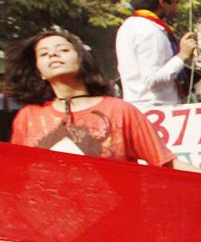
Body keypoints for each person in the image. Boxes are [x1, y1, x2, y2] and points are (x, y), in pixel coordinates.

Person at [5, 31, 180, 168]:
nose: (53, 55)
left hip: (115, 213)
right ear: (39, 72)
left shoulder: (120, 111)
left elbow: (166, 163)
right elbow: (18, 174)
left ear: (81, 60)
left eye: (63, 50)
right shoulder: (28, 117)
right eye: (44, 54)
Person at [115, 0, 198, 108]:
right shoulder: (149, 31)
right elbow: (152, 80)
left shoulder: (130, 25)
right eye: (176, 1)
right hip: (156, 109)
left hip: (141, 106)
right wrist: (182, 56)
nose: (177, 6)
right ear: (162, 2)